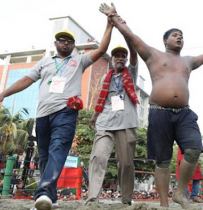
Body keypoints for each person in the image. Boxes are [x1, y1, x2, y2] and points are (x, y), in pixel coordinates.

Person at [99, 3, 203, 209]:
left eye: (182, 35)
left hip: (184, 113)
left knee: (194, 149)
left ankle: (179, 193)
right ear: (165, 40)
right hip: (159, 112)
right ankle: (164, 203)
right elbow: (130, 36)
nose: (180, 37)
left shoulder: (188, 60)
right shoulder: (153, 54)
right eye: (175, 35)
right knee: (163, 160)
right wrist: (113, 16)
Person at [0, 18, 115, 210]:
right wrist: (2, 94)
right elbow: (25, 80)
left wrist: (109, 25)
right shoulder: (45, 62)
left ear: (73, 46)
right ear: (55, 44)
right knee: (45, 156)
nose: (65, 43)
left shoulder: (79, 61)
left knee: (58, 149)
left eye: (69, 41)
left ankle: (42, 193)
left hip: (66, 112)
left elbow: (101, 49)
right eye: (61, 40)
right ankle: (51, 197)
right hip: (42, 114)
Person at [86, 17, 138, 206]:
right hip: (105, 122)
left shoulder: (131, 73)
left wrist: (122, 28)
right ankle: (92, 198)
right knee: (98, 157)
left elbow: (133, 52)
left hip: (126, 123)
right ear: (112, 59)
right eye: (116, 56)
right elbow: (102, 101)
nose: (120, 58)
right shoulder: (105, 79)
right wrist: (93, 117)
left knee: (125, 164)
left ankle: (125, 200)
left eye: (122, 56)